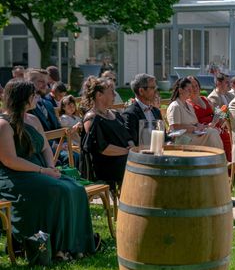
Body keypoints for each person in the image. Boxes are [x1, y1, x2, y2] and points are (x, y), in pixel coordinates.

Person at [0, 79, 97, 260]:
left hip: (41, 170)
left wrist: (51, 167)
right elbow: (10, 160)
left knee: (75, 188)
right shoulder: (3, 124)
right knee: (59, 190)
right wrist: (42, 171)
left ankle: (77, 244)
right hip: (16, 176)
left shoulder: (33, 119)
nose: (37, 98)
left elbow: (45, 147)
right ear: (23, 98)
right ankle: (57, 247)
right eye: (33, 95)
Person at [81, 76, 134, 184]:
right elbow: (102, 148)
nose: (115, 95)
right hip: (104, 166)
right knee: (137, 166)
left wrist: (132, 146)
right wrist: (128, 152)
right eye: (111, 92)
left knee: (143, 160)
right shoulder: (91, 118)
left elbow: (127, 136)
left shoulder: (114, 114)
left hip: (121, 159)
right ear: (99, 95)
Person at [166, 78, 223, 149]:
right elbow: (174, 127)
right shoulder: (175, 106)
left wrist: (204, 127)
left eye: (192, 89)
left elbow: (195, 123)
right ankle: (217, 158)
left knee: (213, 131)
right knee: (212, 134)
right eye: (189, 90)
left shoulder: (188, 105)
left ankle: (217, 158)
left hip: (193, 135)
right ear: (180, 90)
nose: (191, 91)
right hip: (183, 139)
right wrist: (194, 128)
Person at [121, 73, 163, 146]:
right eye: (153, 88)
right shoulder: (130, 114)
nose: (156, 91)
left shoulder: (156, 111)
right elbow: (132, 143)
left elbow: (164, 136)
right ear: (141, 91)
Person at [207, 73, 234, 162]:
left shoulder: (229, 95)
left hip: (232, 125)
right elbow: (220, 117)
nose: (229, 85)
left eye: (229, 82)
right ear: (218, 83)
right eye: (227, 82)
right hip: (222, 128)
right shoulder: (213, 98)